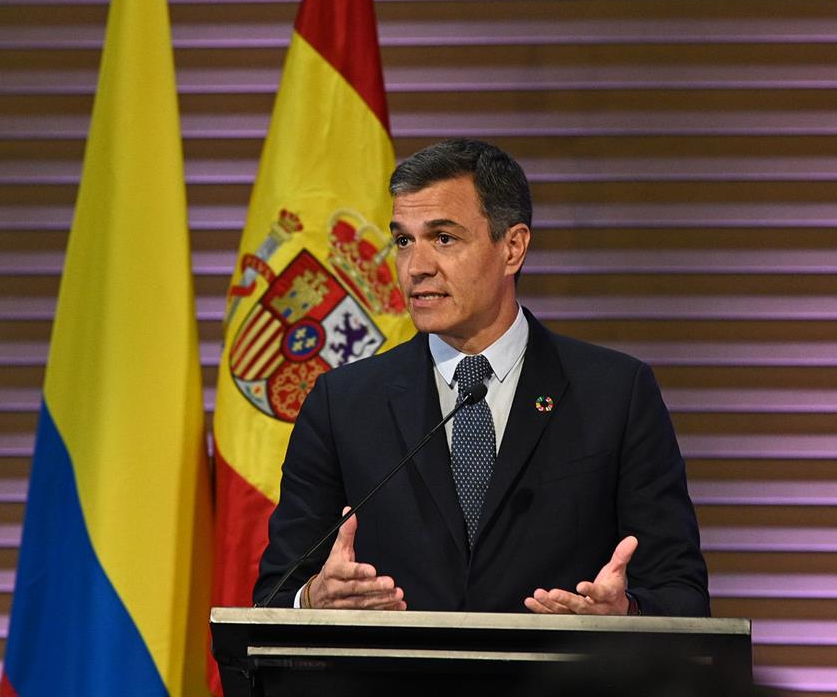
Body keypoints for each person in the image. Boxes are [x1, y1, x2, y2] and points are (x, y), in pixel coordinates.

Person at [253, 138, 709, 616]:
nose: (417, 268)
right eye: (404, 241)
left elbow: (681, 593)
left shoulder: (616, 394)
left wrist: (627, 616)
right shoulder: (341, 404)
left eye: (444, 238)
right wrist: (313, 598)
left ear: (513, 248)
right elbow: (274, 595)